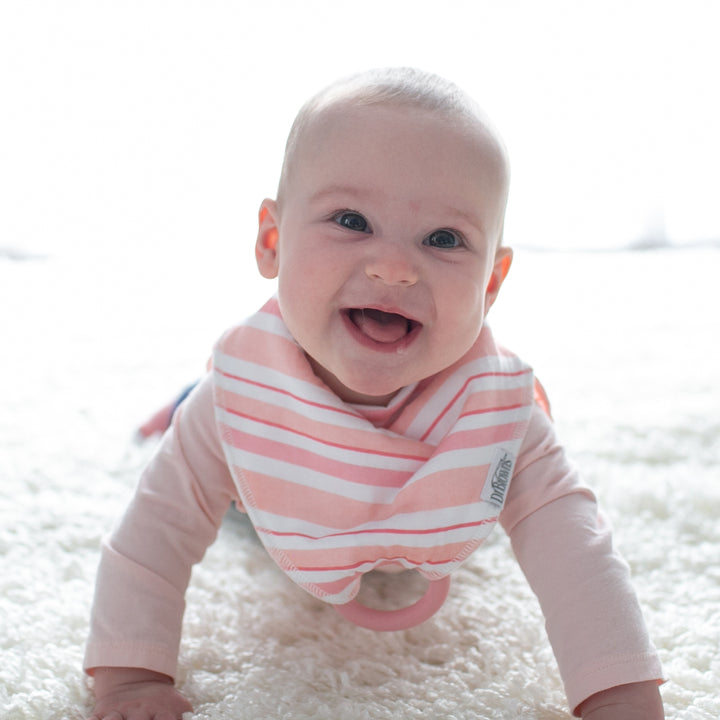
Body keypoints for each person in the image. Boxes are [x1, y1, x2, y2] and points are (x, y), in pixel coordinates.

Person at [84, 67, 665, 719]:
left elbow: (577, 555)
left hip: (429, 508)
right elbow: (154, 530)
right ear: (272, 241)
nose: (393, 265)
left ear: (492, 281)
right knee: (198, 424)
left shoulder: (497, 414)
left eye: (445, 239)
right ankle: (177, 398)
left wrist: (621, 697)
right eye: (351, 220)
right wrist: (131, 680)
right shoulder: (236, 405)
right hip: (270, 496)